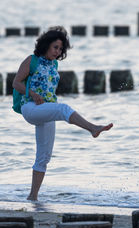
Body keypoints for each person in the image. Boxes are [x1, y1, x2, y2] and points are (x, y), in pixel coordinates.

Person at [12, 26, 113, 201]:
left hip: (47, 109)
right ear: (46, 45)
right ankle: (92, 128)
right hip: (30, 108)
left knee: (44, 156)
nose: (58, 52)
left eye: (60, 49)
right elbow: (16, 83)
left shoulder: (54, 64)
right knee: (63, 109)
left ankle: (32, 197)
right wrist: (33, 94)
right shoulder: (32, 60)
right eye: (55, 47)